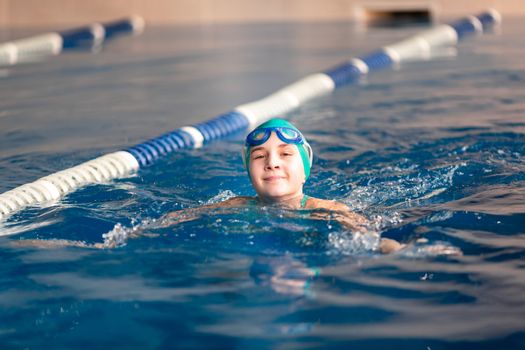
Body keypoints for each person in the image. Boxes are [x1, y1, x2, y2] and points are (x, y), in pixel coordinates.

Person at [14, 118, 403, 253]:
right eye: (259, 157)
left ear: (304, 170)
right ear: (249, 170)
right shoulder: (235, 206)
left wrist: (395, 250)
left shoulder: (329, 209)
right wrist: (111, 240)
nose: (272, 162)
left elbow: (367, 236)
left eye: (286, 154)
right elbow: (169, 222)